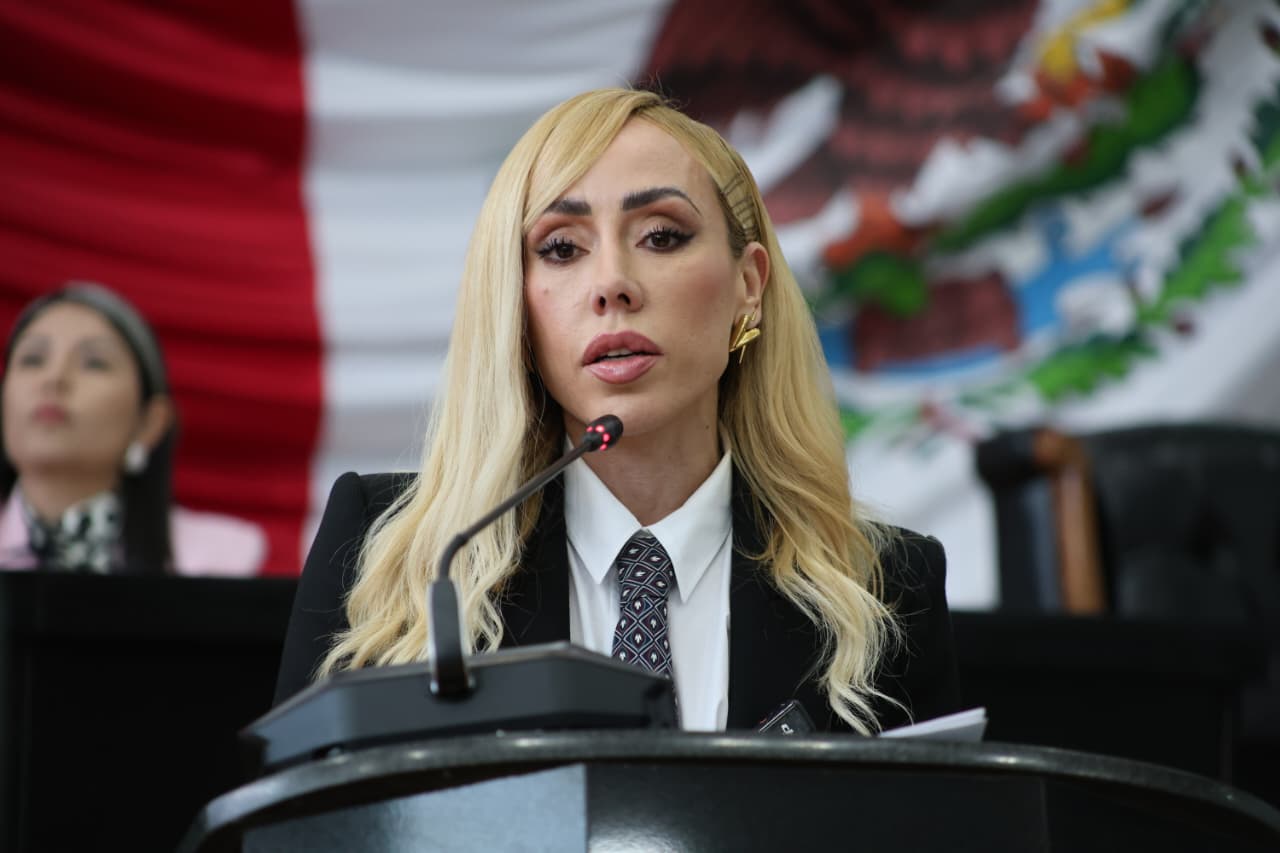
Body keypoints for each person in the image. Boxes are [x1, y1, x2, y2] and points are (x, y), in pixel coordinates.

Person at [274, 88, 961, 733]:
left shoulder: (885, 586)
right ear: (514, 304)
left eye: (661, 236)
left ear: (748, 286)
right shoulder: (395, 558)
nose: (611, 284)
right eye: (561, 248)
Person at [0, 283, 266, 576]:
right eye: (32, 360)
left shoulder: (219, 559)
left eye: (94, 363)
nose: (53, 378)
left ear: (149, 423)